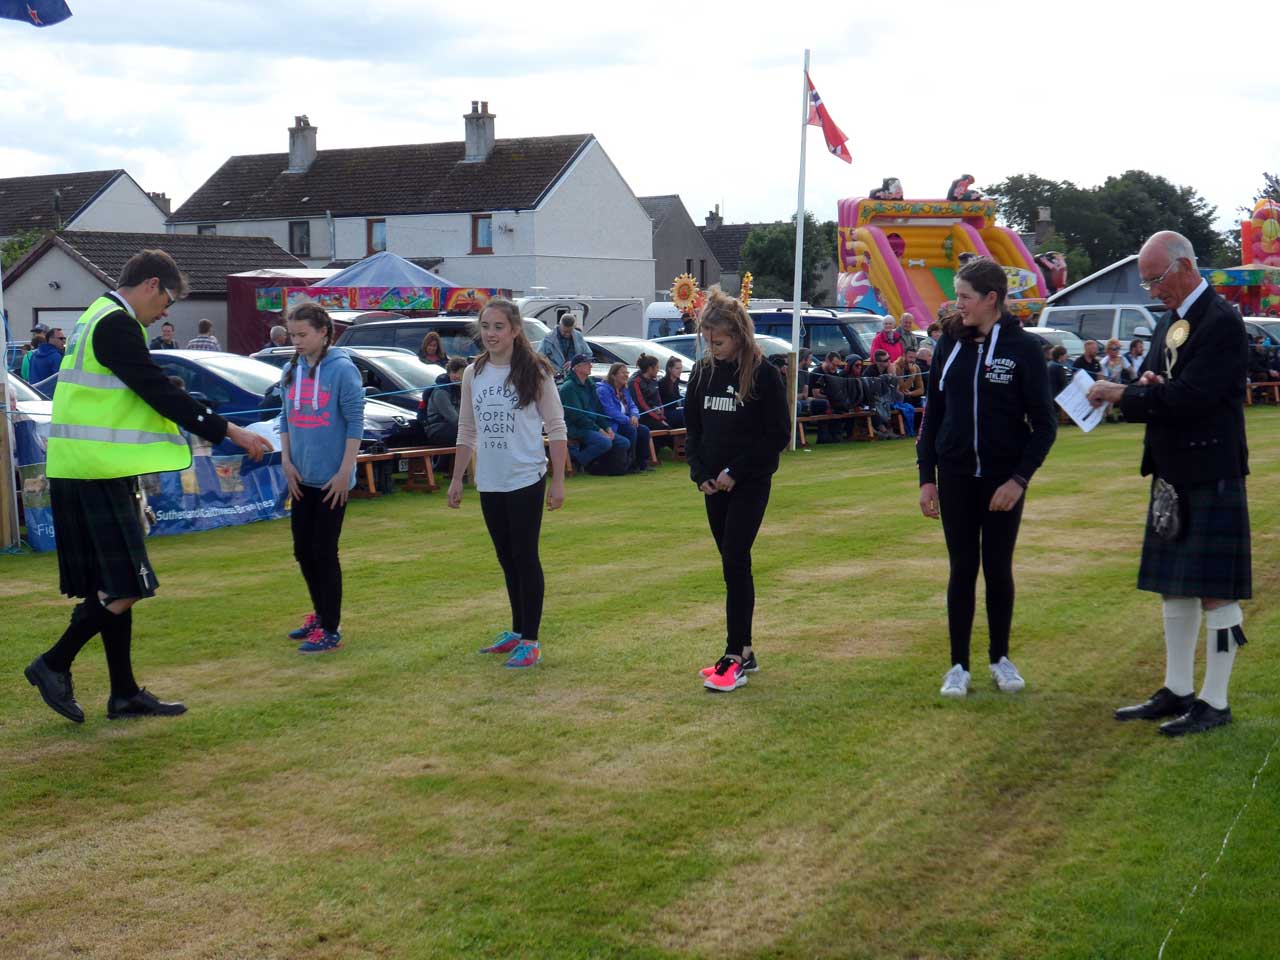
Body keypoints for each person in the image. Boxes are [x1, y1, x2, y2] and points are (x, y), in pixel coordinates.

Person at [23, 249, 271, 724]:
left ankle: (124, 695)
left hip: (86, 468)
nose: (166, 313)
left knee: (113, 586)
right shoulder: (115, 323)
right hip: (95, 471)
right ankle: (52, 663)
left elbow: (138, 390)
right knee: (129, 586)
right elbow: (155, 389)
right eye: (167, 301)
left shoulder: (97, 316)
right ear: (152, 284)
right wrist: (230, 432)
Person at [1088, 231, 1251, 737]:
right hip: (1172, 470)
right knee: (1173, 589)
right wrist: (1147, 386)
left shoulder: (1221, 322)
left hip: (1210, 469)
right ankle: (1178, 688)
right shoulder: (1168, 321)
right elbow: (1164, 384)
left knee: (1214, 593)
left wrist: (1122, 394)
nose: (1153, 290)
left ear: (1183, 267)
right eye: (1147, 282)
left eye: (1156, 279)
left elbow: (1197, 398)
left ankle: (1215, 702)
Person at [917, 257, 1057, 698]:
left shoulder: (1024, 348)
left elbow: (1045, 424)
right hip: (956, 477)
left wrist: (1019, 480)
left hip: (1002, 482)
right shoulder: (948, 345)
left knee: (997, 568)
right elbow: (932, 417)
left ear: (991, 299)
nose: (956, 304)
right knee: (962, 569)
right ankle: (958, 666)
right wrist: (927, 477)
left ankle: (1001, 658)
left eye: (964, 296)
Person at [449, 298, 567, 669]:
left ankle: (531, 640)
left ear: (515, 330)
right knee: (506, 558)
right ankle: (517, 632)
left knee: (525, 556)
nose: (491, 334)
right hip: (490, 480)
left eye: (498, 327)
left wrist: (558, 482)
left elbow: (557, 428)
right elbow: (466, 428)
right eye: (485, 327)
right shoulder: (474, 373)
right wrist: (456, 479)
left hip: (525, 477)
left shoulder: (536, 371)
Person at [685, 289, 790, 693]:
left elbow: (776, 434)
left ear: (739, 336)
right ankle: (745, 650)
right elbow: (693, 432)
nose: (714, 348)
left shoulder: (763, 374)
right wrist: (701, 474)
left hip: (750, 483)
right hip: (714, 487)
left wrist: (735, 471)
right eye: (709, 341)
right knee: (732, 566)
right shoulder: (701, 371)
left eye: (720, 341)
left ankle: (733, 656)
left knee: (735, 557)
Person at [279, 303, 365, 654]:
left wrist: (345, 471)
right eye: (292, 335)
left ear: (324, 332)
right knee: (303, 550)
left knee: (324, 551)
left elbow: (356, 421)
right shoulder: (290, 369)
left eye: (303, 334)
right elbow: (284, 418)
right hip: (302, 476)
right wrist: (286, 461)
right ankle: (319, 613)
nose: (296, 341)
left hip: (332, 478)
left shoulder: (343, 370)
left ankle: (331, 628)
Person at [559, 353, 629, 471]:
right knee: (605, 442)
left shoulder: (590, 385)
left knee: (624, 442)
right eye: (587, 364)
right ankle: (577, 461)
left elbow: (598, 411)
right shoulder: (568, 388)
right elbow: (577, 417)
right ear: (577, 367)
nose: (590, 366)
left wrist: (607, 428)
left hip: (592, 426)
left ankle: (603, 467)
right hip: (576, 428)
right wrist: (600, 430)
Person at [598, 362, 652, 472]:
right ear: (613, 376)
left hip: (626, 421)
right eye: (623, 373)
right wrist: (628, 420)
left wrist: (634, 416)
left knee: (644, 430)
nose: (626, 375)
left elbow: (632, 405)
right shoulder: (603, 390)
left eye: (627, 372)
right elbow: (610, 411)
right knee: (631, 430)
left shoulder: (624, 390)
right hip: (612, 424)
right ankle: (629, 463)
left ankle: (643, 463)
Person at [423, 357, 466, 447]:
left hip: (452, 428)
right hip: (436, 429)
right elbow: (454, 418)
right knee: (469, 436)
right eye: (454, 372)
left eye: (460, 373)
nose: (457, 376)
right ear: (449, 373)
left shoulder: (463, 389)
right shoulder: (441, 392)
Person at [537, 310, 589, 375]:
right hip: (556, 376)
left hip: (576, 375)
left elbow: (588, 354)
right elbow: (539, 357)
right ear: (559, 325)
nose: (567, 334)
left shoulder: (578, 336)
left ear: (573, 327)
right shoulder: (549, 339)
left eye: (570, 331)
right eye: (564, 331)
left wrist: (575, 362)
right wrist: (550, 369)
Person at [628, 353, 669, 433]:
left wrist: (661, 414)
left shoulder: (654, 380)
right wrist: (658, 418)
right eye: (657, 367)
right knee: (665, 430)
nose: (658, 370)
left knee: (670, 426)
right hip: (643, 416)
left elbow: (659, 400)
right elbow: (642, 405)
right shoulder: (635, 382)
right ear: (650, 368)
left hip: (655, 414)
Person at [658, 355, 685, 428]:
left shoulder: (676, 382)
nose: (680, 371)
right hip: (665, 413)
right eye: (677, 368)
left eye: (681, 368)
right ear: (670, 369)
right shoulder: (662, 383)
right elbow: (668, 402)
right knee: (686, 413)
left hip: (675, 410)